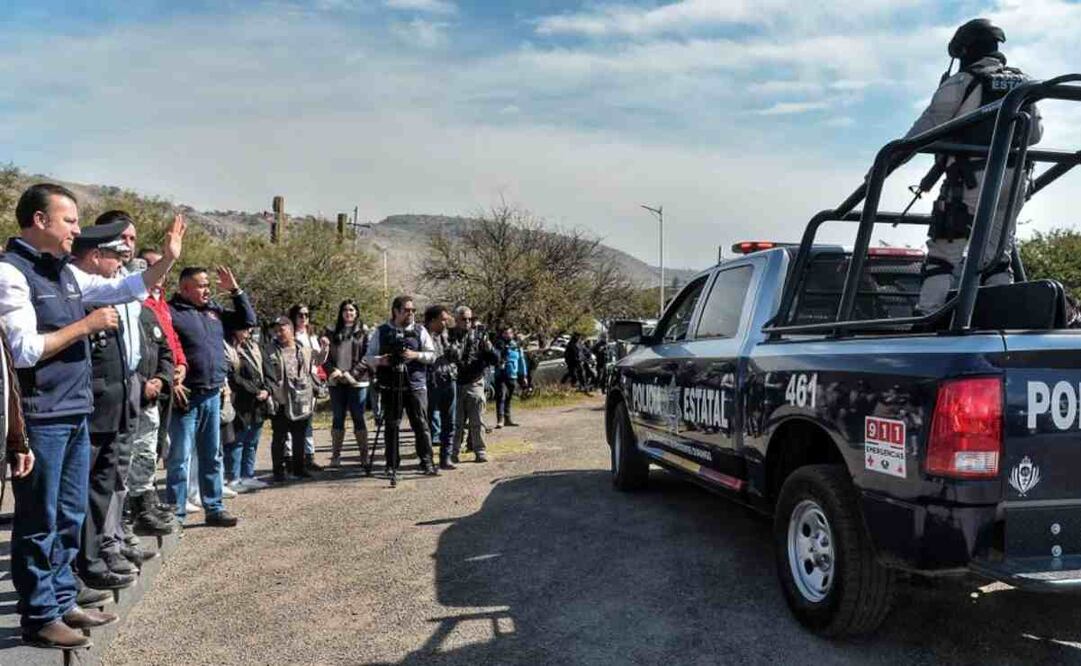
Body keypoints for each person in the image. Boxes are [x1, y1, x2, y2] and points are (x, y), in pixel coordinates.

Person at [0, 184, 185, 649]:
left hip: (75, 410)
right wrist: (87, 324)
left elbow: (124, 286)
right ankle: (40, 615)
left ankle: (62, 599)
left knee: (69, 512)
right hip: (42, 416)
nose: (77, 231)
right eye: (70, 222)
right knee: (39, 518)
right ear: (39, 221)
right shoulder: (12, 273)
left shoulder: (62, 272)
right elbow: (23, 351)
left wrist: (166, 259)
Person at [907, 18, 1043, 313]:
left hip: (970, 180)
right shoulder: (1025, 83)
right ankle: (1002, 318)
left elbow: (924, 130)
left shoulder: (963, 81)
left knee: (945, 251)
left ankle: (927, 315)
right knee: (996, 254)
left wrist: (885, 164)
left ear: (965, 50)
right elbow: (1034, 135)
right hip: (1015, 179)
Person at [69, 223, 142, 591]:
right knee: (77, 495)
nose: (120, 262)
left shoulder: (102, 293)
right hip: (89, 408)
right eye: (115, 254)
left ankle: (93, 558)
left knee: (101, 489)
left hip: (113, 404)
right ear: (96, 256)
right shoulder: (75, 292)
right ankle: (78, 568)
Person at [167, 265, 255, 527]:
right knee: (180, 458)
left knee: (211, 455)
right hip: (186, 397)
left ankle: (214, 507)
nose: (207, 289)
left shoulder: (214, 311)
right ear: (185, 288)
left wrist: (236, 291)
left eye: (208, 285)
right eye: (201, 285)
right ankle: (176, 513)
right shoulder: (172, 313)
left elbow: (247, 320)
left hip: (212, 394)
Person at [364, 295, 438, 486]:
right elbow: (368, 357)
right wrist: (382, 360)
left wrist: (415, 355)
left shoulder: (420, 331)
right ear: (396, 311)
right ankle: (391, 464)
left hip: (415, 385)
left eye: (413, 310)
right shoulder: (381, 331)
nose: (411, 313)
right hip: (391, 385)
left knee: (421, 424)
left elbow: (432, 355)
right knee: (391, 425)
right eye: (407, 310)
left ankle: (427, 462)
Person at [265, 316, 318, 481]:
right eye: (276, 330)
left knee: (299, 434)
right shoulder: (269, 350)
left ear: (291, 330)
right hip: (280, 399)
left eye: (283, 329)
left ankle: (299, 468)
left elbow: (312, 368)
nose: (279, 333)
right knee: (279, 436)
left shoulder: (302, 349)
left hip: (300, 398)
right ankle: (278, 471)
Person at [321, 299, 371, 469]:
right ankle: (335, 456)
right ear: (341, 313)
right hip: (336, 381)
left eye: (351, 310)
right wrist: (332, 371)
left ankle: (364, 456)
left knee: (358, 417)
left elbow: (367, 357)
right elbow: (323, 357)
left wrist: (352, 374)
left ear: (356, 312)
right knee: (338, 417)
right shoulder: (330, 331)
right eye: (345, 310)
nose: (348, 313)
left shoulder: (364, 332)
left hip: (357, 382)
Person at [224, 323, 272, 490]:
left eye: (248, 328)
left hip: (259, 402)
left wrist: (266, 390)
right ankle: (233, 477)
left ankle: (248, 474)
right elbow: (233, 377)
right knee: (238, 441)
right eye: (243, 328)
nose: (247, 332)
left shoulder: (254, 347)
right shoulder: (229, 349)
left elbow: (266, 371)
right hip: (240, 401)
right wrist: (254, 390)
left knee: (253, 440)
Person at [449, 306, 497, 464]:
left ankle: (480, 450)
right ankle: (453, 452)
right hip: (455, 383)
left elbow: (495, 359)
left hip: (475, 381)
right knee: (457, 422)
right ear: (456, 320)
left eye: (470, 319)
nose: (468, 322)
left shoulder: (479, 337)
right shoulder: (449, 336)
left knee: (477, 420)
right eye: (464, 319)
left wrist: (489, 349)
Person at [288, 303, 325, 472]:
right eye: (300, 315)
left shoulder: (311, 337)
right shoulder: (288, 335)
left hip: (309, 383)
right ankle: (289, 457)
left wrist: (325, 348)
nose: (303, 318)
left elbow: (319, 360)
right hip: (293, 382)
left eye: (306, 315)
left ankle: (309, 456)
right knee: (292, 419)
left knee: (308, 420)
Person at [424, 304, 458, 469]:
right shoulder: (422, 336)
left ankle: (446, 457)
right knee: (429, 422)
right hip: (431, 382)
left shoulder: (446, 335)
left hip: (448, 379)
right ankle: (427, 458)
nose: (445, 323)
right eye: (442, 320)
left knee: (449, 421)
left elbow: (456, 356)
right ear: (432, 320)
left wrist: (454, 350)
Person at [492, 325, 527, 429]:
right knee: (501, 396)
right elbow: (493, 358)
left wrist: (524, 375)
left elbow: (521, 361)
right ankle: (500, 420)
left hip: (512, 374)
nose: (507, 335)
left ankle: (508, 419)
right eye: (505, 333)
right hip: (500, 374)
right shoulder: (497, 345)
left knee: (509, 397)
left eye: (509, 333)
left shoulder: (516, 346)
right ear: (502, 334)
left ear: (512, 334)